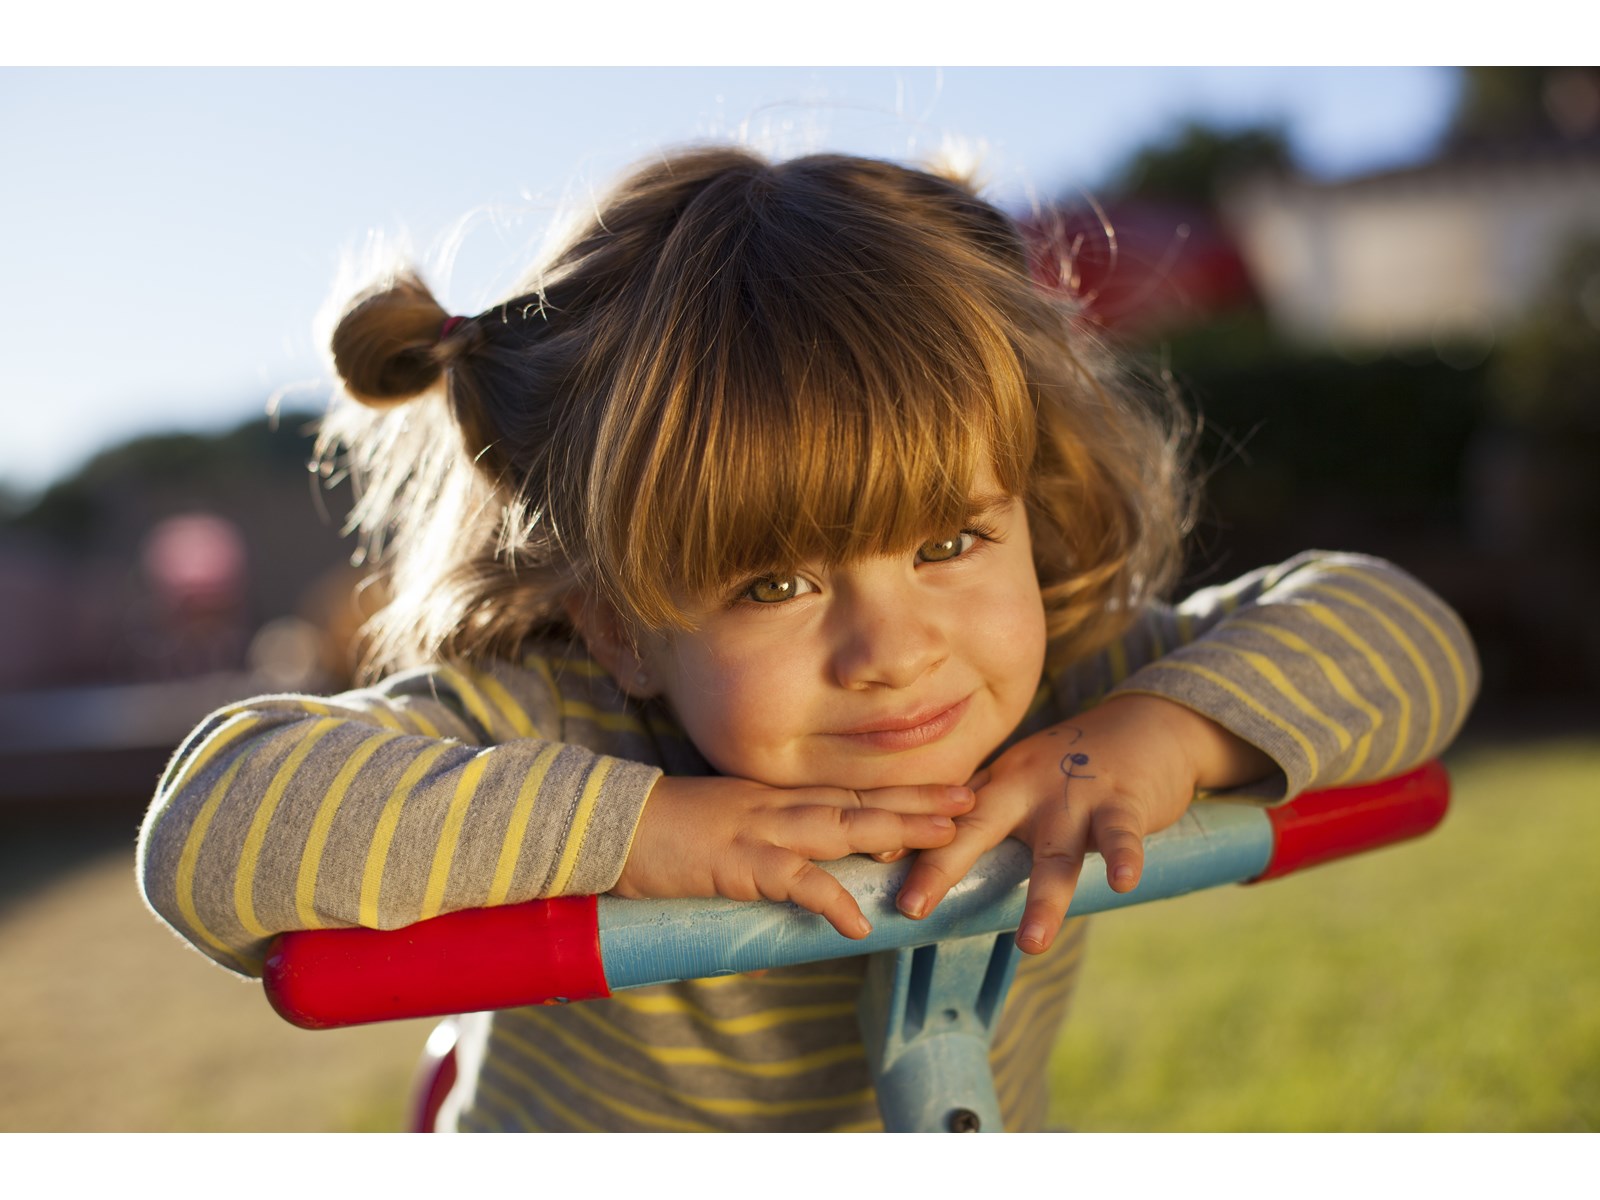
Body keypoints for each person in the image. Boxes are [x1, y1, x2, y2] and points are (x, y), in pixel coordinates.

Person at [138, 146, 1478, 1132]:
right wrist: (650, 832)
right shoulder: (556, 723)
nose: (895, 649)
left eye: (951, 543)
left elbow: (1409, 638)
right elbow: (214, 831)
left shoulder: (1065, 704)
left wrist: (1168, 735)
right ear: (618, 622)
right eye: (772, 583)